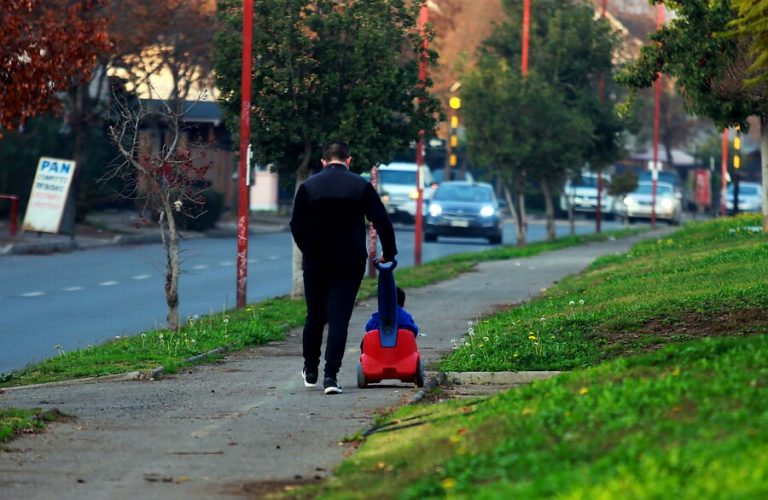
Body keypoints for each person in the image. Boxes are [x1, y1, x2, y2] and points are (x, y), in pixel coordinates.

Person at [290, 141, 397, 395]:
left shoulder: (308, 186)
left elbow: (296, 224)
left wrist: (309, 249)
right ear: (349, 160)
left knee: (315, 315)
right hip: (350, 260)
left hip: (316, 261)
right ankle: (331, 376)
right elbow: (381, 220)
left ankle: (311, 369)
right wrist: (389, 252)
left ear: (323, 161)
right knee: (339, 317)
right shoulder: (361, 186)